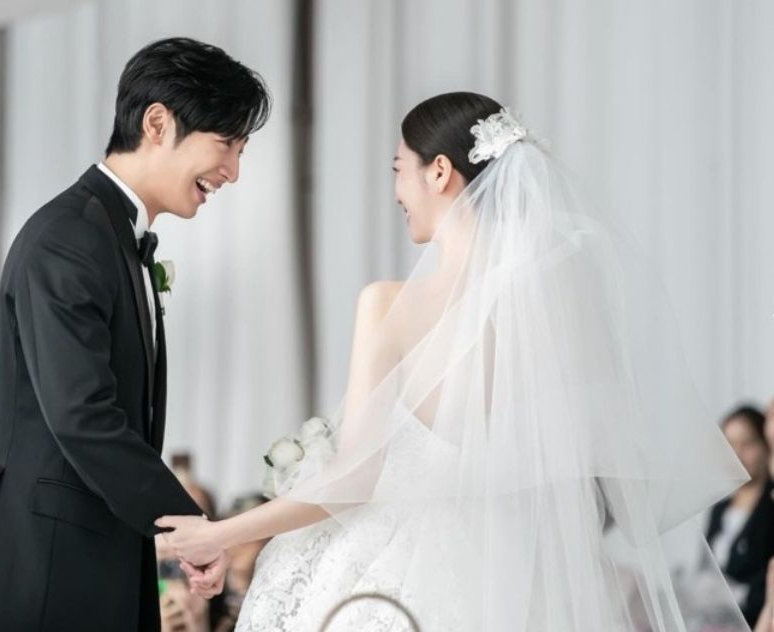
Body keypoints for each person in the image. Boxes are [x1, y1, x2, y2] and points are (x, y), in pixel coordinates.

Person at [156, 92, 749, 630]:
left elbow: (354, 480)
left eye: (398, 169)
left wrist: (222, 533)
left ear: (439, 171)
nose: (396, 191)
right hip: (522, 575)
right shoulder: (560, 302)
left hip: (396, 573)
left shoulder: (388, 305)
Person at [0, 37, 270, 632]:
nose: (233, 173)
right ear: (157, 124)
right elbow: (83, 416)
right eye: (226, 145)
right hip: (43, 574)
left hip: (81, 565)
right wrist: (191, 527)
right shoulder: (69, 239)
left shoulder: (108, 236)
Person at [707, 405, 774, 627]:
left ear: (765, 446)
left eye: (747, 444)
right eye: (730, 445)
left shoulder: (770, 506)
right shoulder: (719, 509)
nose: (737, 454)